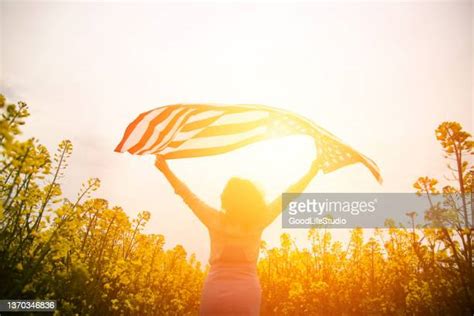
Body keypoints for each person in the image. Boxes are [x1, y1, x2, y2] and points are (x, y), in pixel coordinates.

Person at [154, 155, 320, 315]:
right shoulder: (259, 221)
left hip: (215, 289)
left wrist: (165, 170)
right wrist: (311, 173)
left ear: (226, 198)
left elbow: (187, 195)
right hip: (246, 291)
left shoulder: (215, 219)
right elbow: (289, 196)